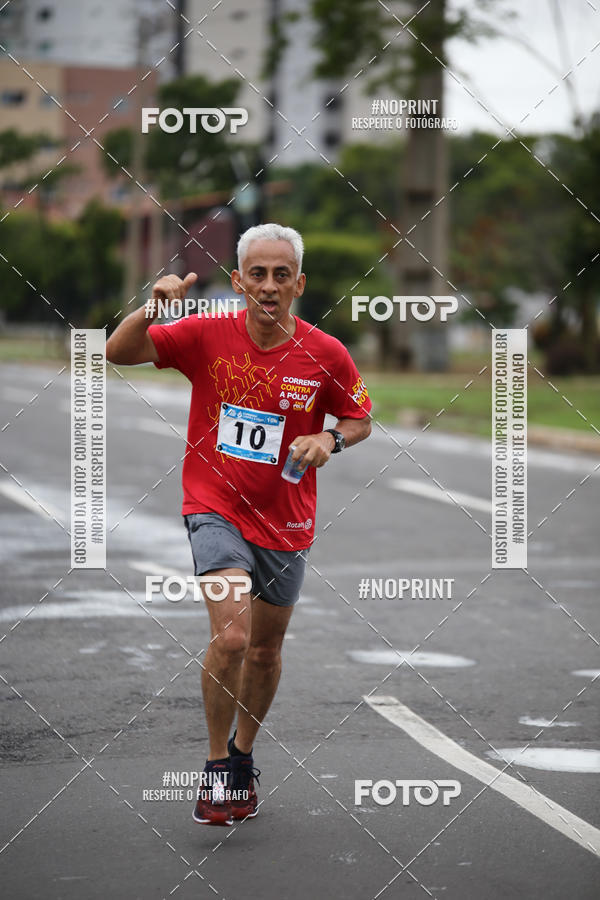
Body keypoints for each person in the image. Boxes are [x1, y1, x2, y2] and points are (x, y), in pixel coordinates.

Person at [106, 223, 372, 825]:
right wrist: (153, 306)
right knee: (231, 638)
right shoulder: (204, 333)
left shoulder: (325, 353)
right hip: (214, 505)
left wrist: (328, 437)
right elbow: (118, 353)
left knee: (265, 651)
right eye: (257, 274)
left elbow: (360, 419)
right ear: (238, 281)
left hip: (286, 520)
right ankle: (215, 769)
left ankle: (242, 758)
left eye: (282, 275)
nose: (269, 286)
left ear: (299, 284)